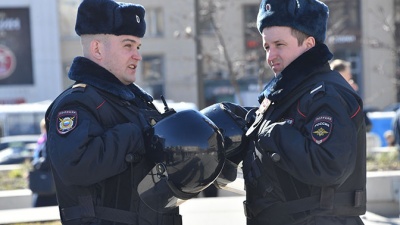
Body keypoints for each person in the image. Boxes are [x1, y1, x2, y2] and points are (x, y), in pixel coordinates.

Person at [45, 0, 182, 224]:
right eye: (128, 45)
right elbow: (75, 167)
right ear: (97, 48)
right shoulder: (77, 104)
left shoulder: (135, 101)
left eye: (138, 47)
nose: (137, 55)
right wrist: (135, 135)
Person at [240, 0, 367, 224]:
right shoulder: (284, 95)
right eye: (267, 47)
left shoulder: (326, 94)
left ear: (308, 44)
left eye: (280, 44)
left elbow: (328, 165)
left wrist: (270, 134)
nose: (271, 56)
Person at [330, 59, 372, 132]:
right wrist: (350, 92)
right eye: (348, 73)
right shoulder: (335, 90)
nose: (350, 76)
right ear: (340, 73)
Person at [30, 118, 57, 207]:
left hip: (47, 179)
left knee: (38, 205)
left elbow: (47, 160)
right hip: (50, 179)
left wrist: (35, 164)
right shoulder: (44, 140)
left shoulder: (47, 140)